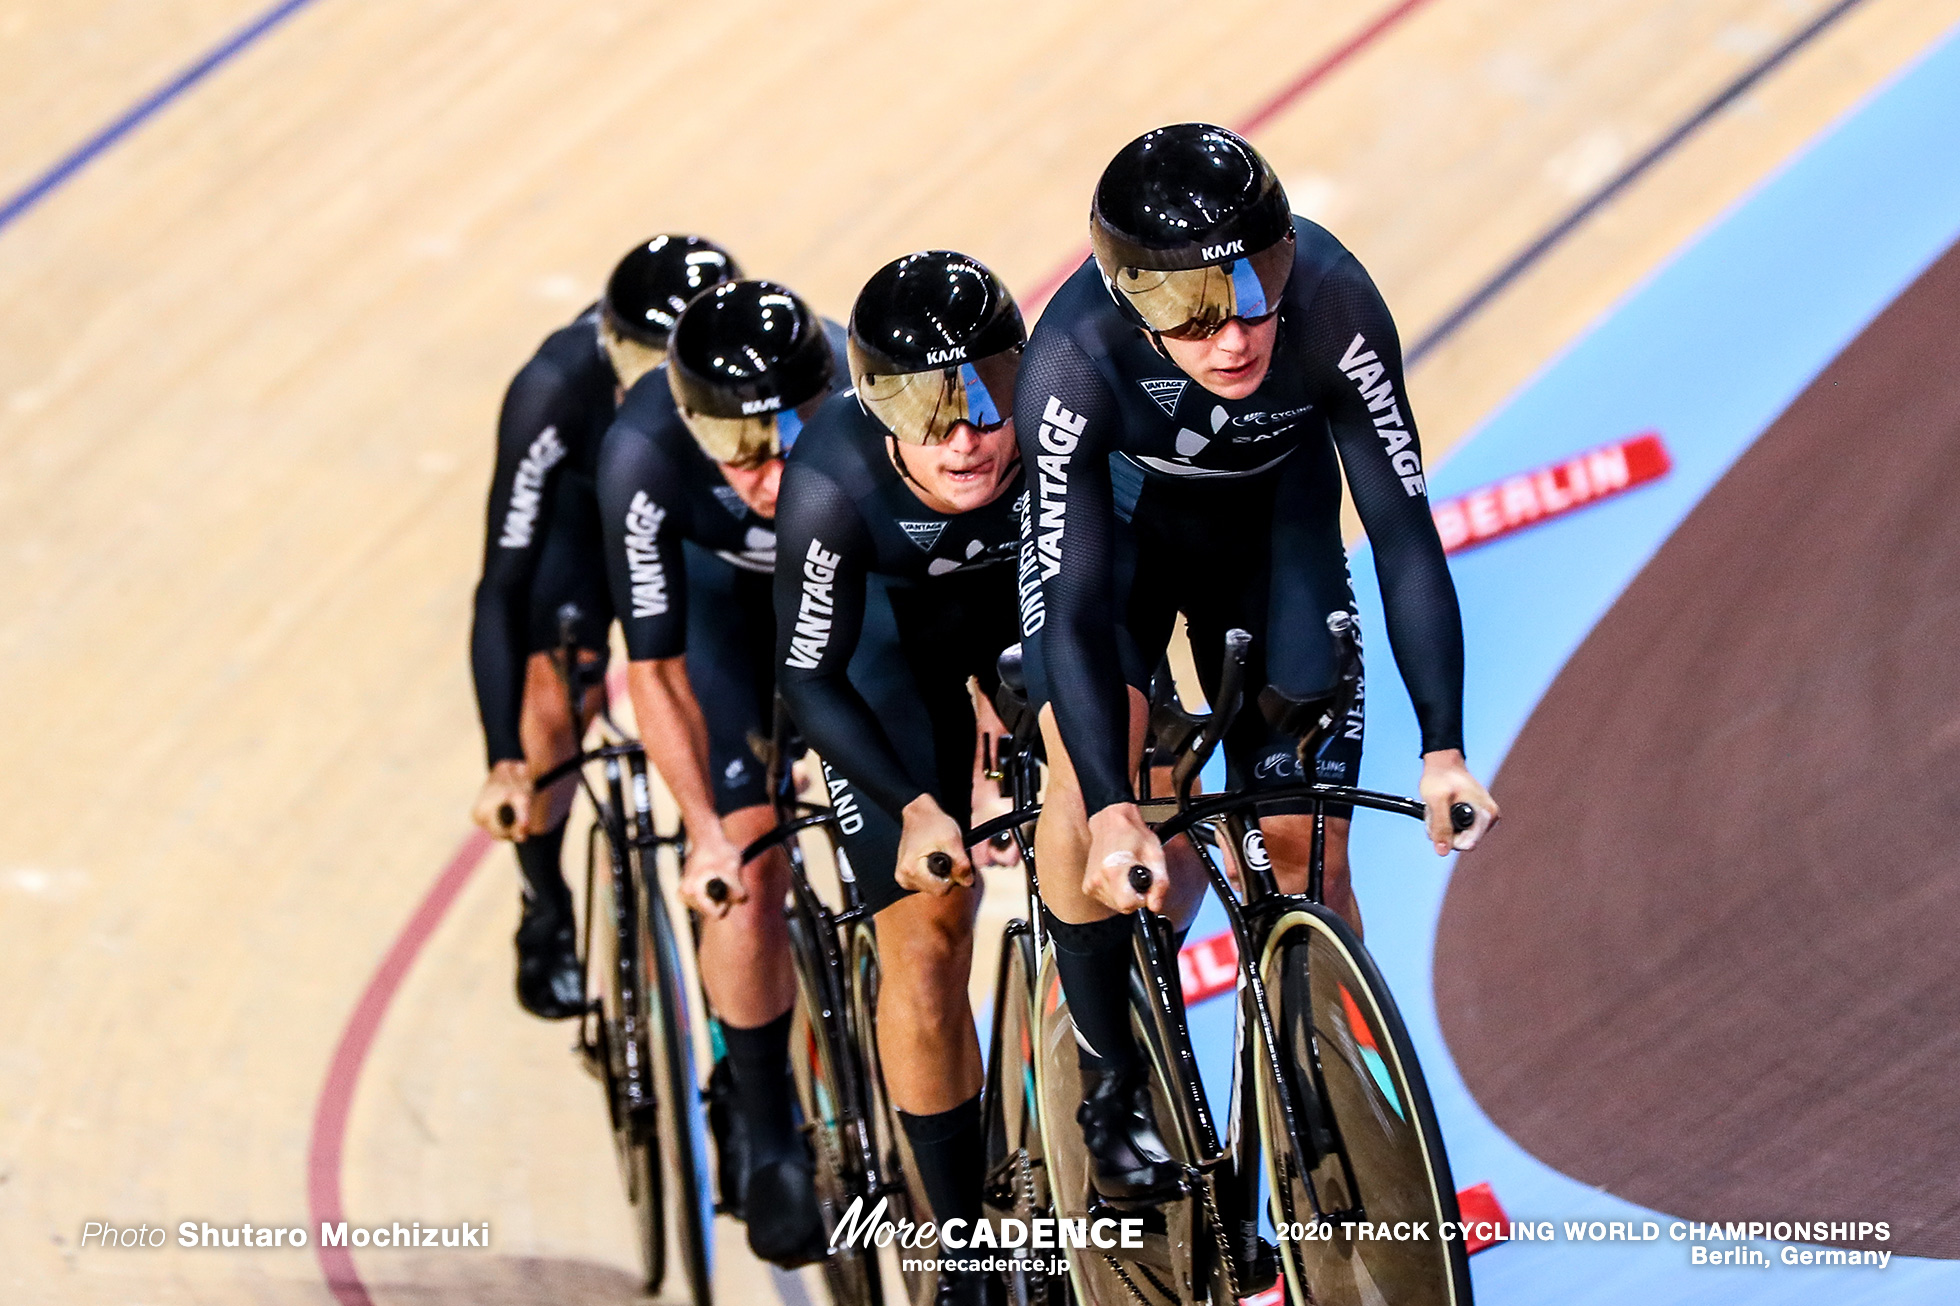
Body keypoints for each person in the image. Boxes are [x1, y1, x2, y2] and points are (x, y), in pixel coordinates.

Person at [1015, 123, 1500, 1204]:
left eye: (1251, 286)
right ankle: (1103, 1087)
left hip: (1274, 538)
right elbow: (1074, 606)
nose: (1232, 334)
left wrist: (1444, 746)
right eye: (1190, 312)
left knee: (1302, 846)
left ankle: (1317, 1106)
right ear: (1132, 301)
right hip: (1124, 556)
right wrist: (1104, 807)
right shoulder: (1071, 356)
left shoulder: (1331, 302)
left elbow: (1405, 533)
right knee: (1094, 792)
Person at [773, 250, 1027, 1306]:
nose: (963, 435)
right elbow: (810, 676)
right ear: (875, 410)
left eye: (984, 399)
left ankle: (1101, 1070)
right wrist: (923, 804)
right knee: (929, 923)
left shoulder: (1057, 426)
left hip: (1021, 620)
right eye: (928, 412)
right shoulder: (831, 480)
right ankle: (960, 1241)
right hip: (885, 665)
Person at [596, 278, 848, 1266]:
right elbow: (653, 668)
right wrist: (701, 824)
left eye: (782, 440)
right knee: (746, 873)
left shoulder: (861, 392)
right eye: (734, 449)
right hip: (719, 623)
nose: (762, 470)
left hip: (843, 579)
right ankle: (771, 1134)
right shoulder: (642, 456)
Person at [468, 234, 739, 1018]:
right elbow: (502, 589)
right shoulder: (553, 387)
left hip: (683, 523)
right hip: (582, 533)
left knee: (711, 702)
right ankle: (545, 902)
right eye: (634, 366)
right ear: (605, 343)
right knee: (558, 687)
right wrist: (507, 759)